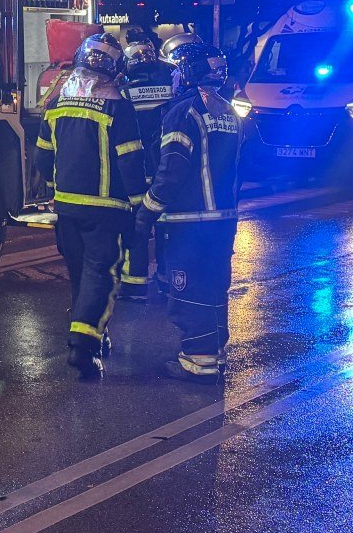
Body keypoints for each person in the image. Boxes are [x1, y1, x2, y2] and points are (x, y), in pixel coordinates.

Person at [35, 33, 150, 379]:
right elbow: (130, 162)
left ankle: (95, 334)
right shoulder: (118, 107)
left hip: (67, 209)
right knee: (100, 275)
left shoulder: (56, 103)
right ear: (115, 69)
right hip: (106, 210)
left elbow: (42, 158)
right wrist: (140, 207)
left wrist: (55, 190)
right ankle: (82, 346)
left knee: (81, 276)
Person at [135, 42, 242, 384]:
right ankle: (214, 353)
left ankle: (198, 361)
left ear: (187, 73)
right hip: (224, 220)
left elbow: (172, 171)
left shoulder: (184, 112)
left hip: (189, 223)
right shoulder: (229, 111)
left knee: (189, 291)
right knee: (214, 288)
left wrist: (146, 213)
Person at [120, 36, 175, 303]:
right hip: (164, 167)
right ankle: (166, 279)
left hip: (136, 168)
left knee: (137, 224)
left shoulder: (124, 92)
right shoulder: (170, 88)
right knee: (165, 226)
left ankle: (134, 285)